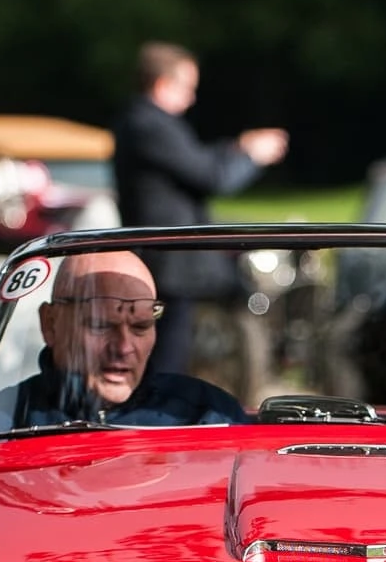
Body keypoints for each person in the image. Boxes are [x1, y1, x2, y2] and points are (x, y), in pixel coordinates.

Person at [110, 42, 288, 374]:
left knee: (169, 356)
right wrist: (252, 155)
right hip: (171, 265)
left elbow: (196, 163)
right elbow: (211, 176)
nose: (192, 98)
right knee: (166, 363)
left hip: (171, 263)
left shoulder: (142, 123)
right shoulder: (149, 125)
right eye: (187, 88)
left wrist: (237, 147)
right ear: (163, 84)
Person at [0, 251, 246, 442]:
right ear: (51, 324)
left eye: (140, 326)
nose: (123, 347)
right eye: (101, 325)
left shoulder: (206, 418)